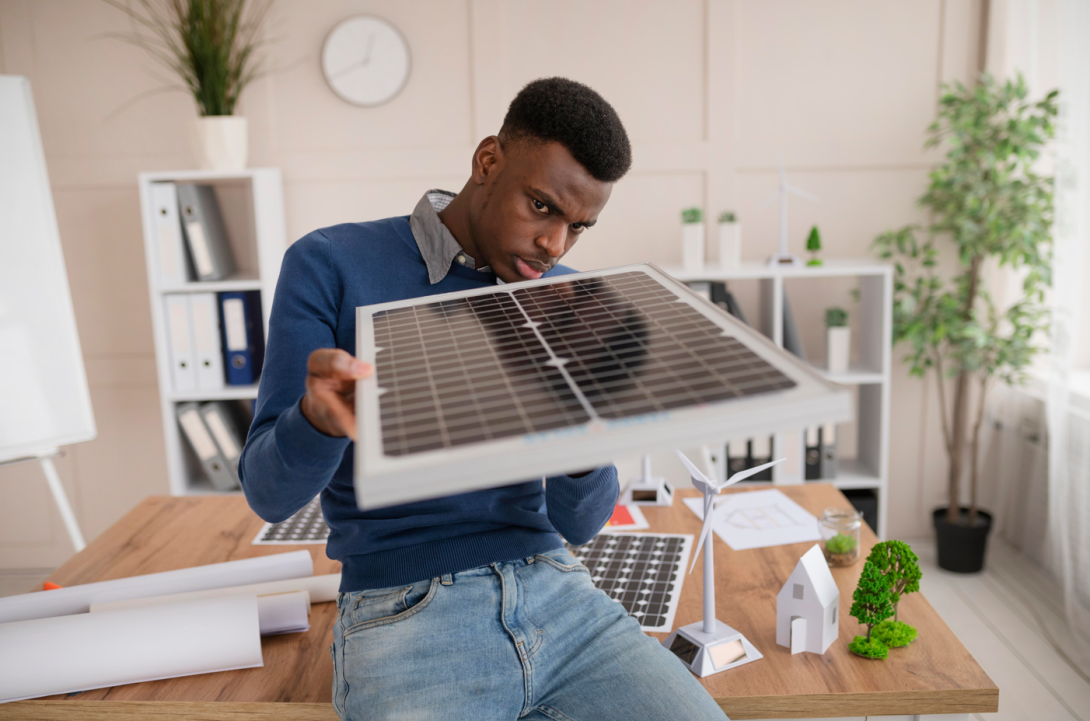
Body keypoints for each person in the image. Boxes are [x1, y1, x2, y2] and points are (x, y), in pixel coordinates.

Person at [239, 77, 726, 721]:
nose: (555, 246)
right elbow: (269, 494)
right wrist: (318, 423)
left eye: (579, 228)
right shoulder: (331, 263)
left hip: (561, 598)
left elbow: (580, 524)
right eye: (543, 207)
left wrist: (588, 424)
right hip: (403, 615)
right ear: (488, 161)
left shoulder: (568, 304)